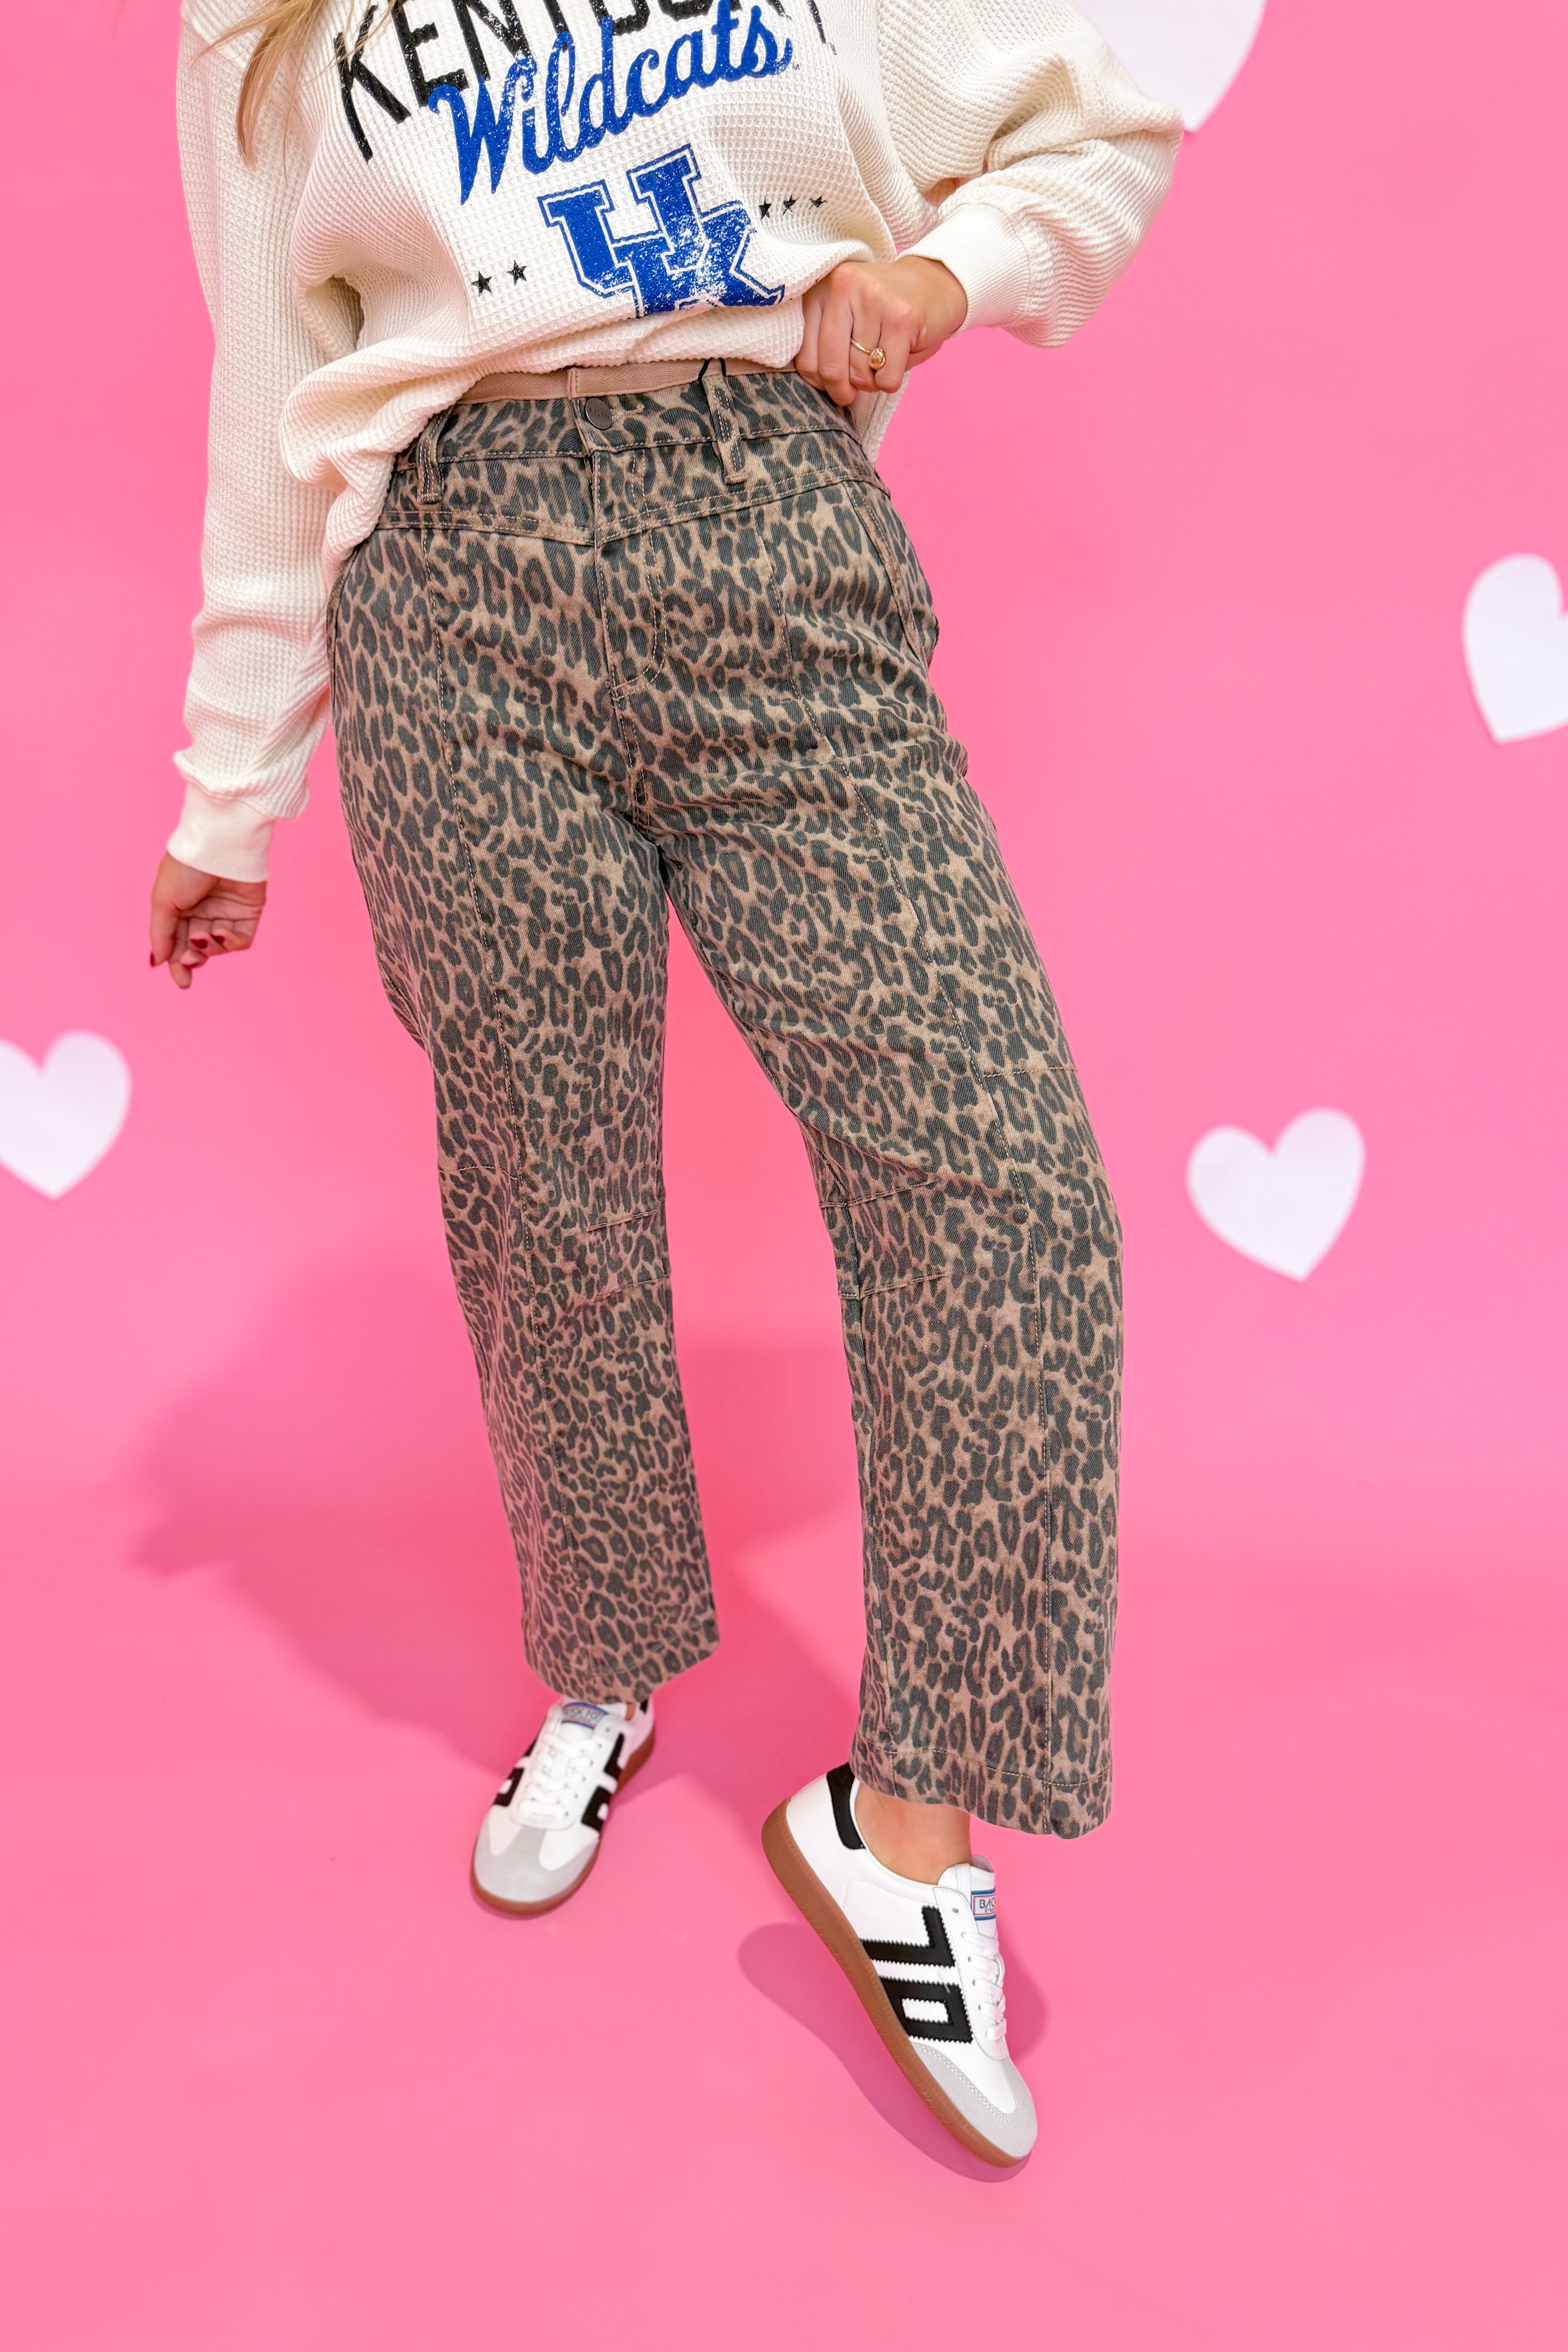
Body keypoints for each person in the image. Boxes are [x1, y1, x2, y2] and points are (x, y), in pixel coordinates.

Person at [151, 0, 1179, 2166]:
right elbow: (266, 400)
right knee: (551, 1203)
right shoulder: (260, 25)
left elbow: (1092, 127)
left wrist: (944, 276)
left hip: (763, 516)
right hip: (445, 580)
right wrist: (231, 792)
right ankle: (604, 1663)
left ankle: (903, 1826)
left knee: (997, 1181)